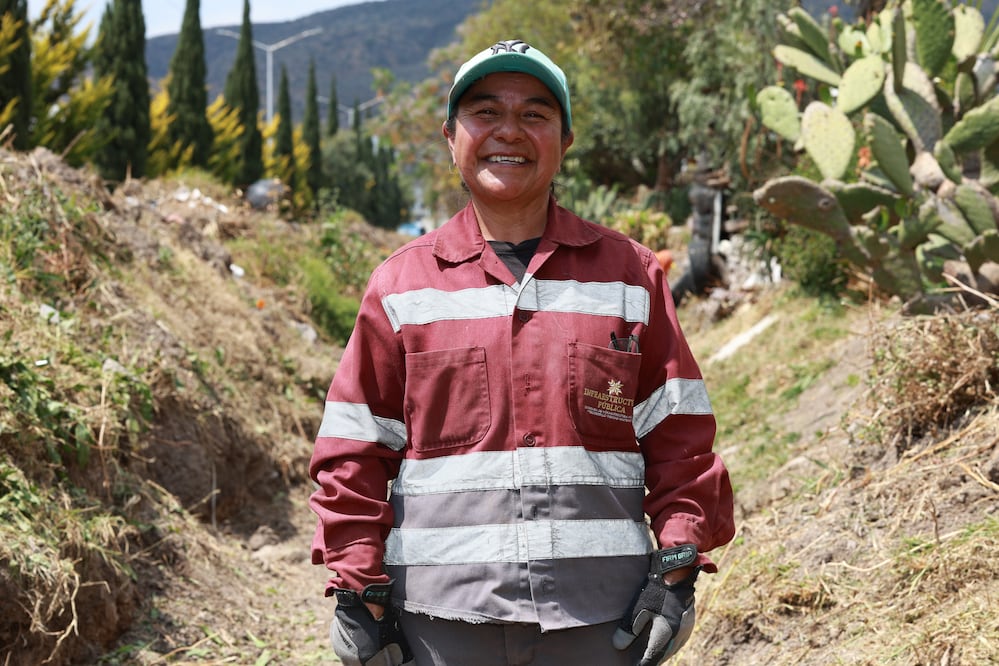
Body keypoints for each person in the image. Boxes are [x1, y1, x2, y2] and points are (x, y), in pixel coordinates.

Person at [309, 39, 736, 666]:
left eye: (535, 114)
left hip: (601, 619)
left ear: (565, 141)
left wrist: (677, 569)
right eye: (486, 112)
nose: (509, 130)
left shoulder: (630, 279)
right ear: (451, 136)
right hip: (441, 620)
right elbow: (355, 450)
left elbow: (680, 441)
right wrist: (357, 589)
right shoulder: (401, 288)